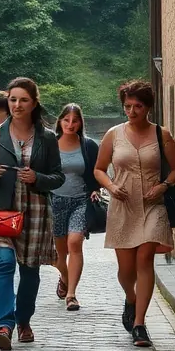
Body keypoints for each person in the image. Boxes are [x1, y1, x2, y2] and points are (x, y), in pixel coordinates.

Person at [0, 77, 63, 351]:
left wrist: (37, 178)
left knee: (29, 270)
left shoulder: (47, 137)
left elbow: (58, 176)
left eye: (23, 100)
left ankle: (24, 320)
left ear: (34, 103)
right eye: (13, 99)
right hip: (1, 209)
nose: (17, 105)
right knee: (2, 263)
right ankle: (4, 325)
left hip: (35, 210)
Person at [95, 80, 175, 347]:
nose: (131, 111)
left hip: (153, 204)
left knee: (145, 259)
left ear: (148, 108)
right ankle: (131, 299)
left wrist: (163, 186)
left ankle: (139, 324)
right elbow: (99, 169)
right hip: (123, 207)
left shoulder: (161, 134)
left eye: (137, 107)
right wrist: (111, 186)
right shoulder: (113, 134)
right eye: (127, 106)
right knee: (126, 271)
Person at [51, 104, 101, 312]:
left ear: (81, 123)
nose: (70, 124)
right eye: (66, 120)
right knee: (59, 253)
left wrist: (96, 189)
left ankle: (71, 294)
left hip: (80, 200)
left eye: (75, 121)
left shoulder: (88, 146)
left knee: (74, 243)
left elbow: (97, 171)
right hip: (54, 201)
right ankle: (64, 277)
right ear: (60, 121)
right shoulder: (50, 144)